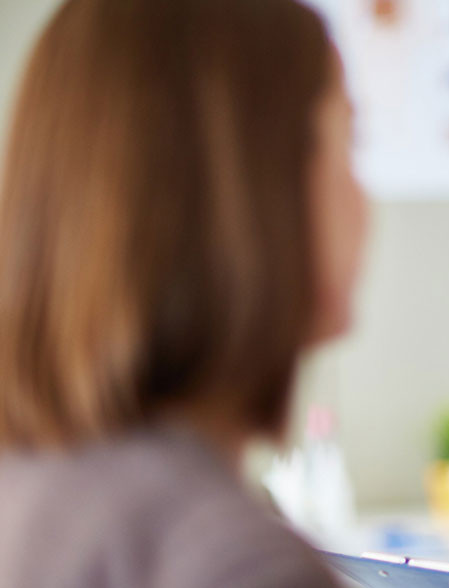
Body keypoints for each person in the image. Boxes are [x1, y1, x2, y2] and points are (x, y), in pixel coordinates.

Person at [0, 0, 365, 586]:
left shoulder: (31, 489)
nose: (365, 202)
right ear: (252, 194)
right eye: (348, 145)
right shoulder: (234, 562)